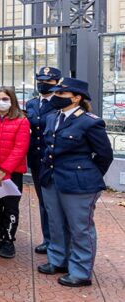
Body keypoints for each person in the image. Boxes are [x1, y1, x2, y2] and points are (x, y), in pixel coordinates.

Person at [37, 78, 113, 287]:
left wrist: (89, 174)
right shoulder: (53, 117)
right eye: (56, 94)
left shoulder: (89, 121)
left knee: (80, 228)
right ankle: (57, 260)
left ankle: (80, 271)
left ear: (77, 97)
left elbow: (105, 155)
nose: (56, 98)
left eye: (61, 95)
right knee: (56, 222)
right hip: (52, 178)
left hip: (78, 183)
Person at [0, 86, 30, 259]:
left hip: (11, 174)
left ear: (12, 100)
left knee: (10, 207)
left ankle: (9, 240)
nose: (1, 102)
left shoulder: (21, 120)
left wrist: (4, 170)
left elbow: (20, 148)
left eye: (5, 99)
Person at [26, 66, 62, 254]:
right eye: (40, 81)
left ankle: (59, 242)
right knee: (43, 201)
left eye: (48, 81)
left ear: (57, 83)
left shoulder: (60, 103)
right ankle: (48, 239)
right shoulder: (32, 103)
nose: (43, 84)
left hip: (54, 160)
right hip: (36, 159)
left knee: (56, 203)